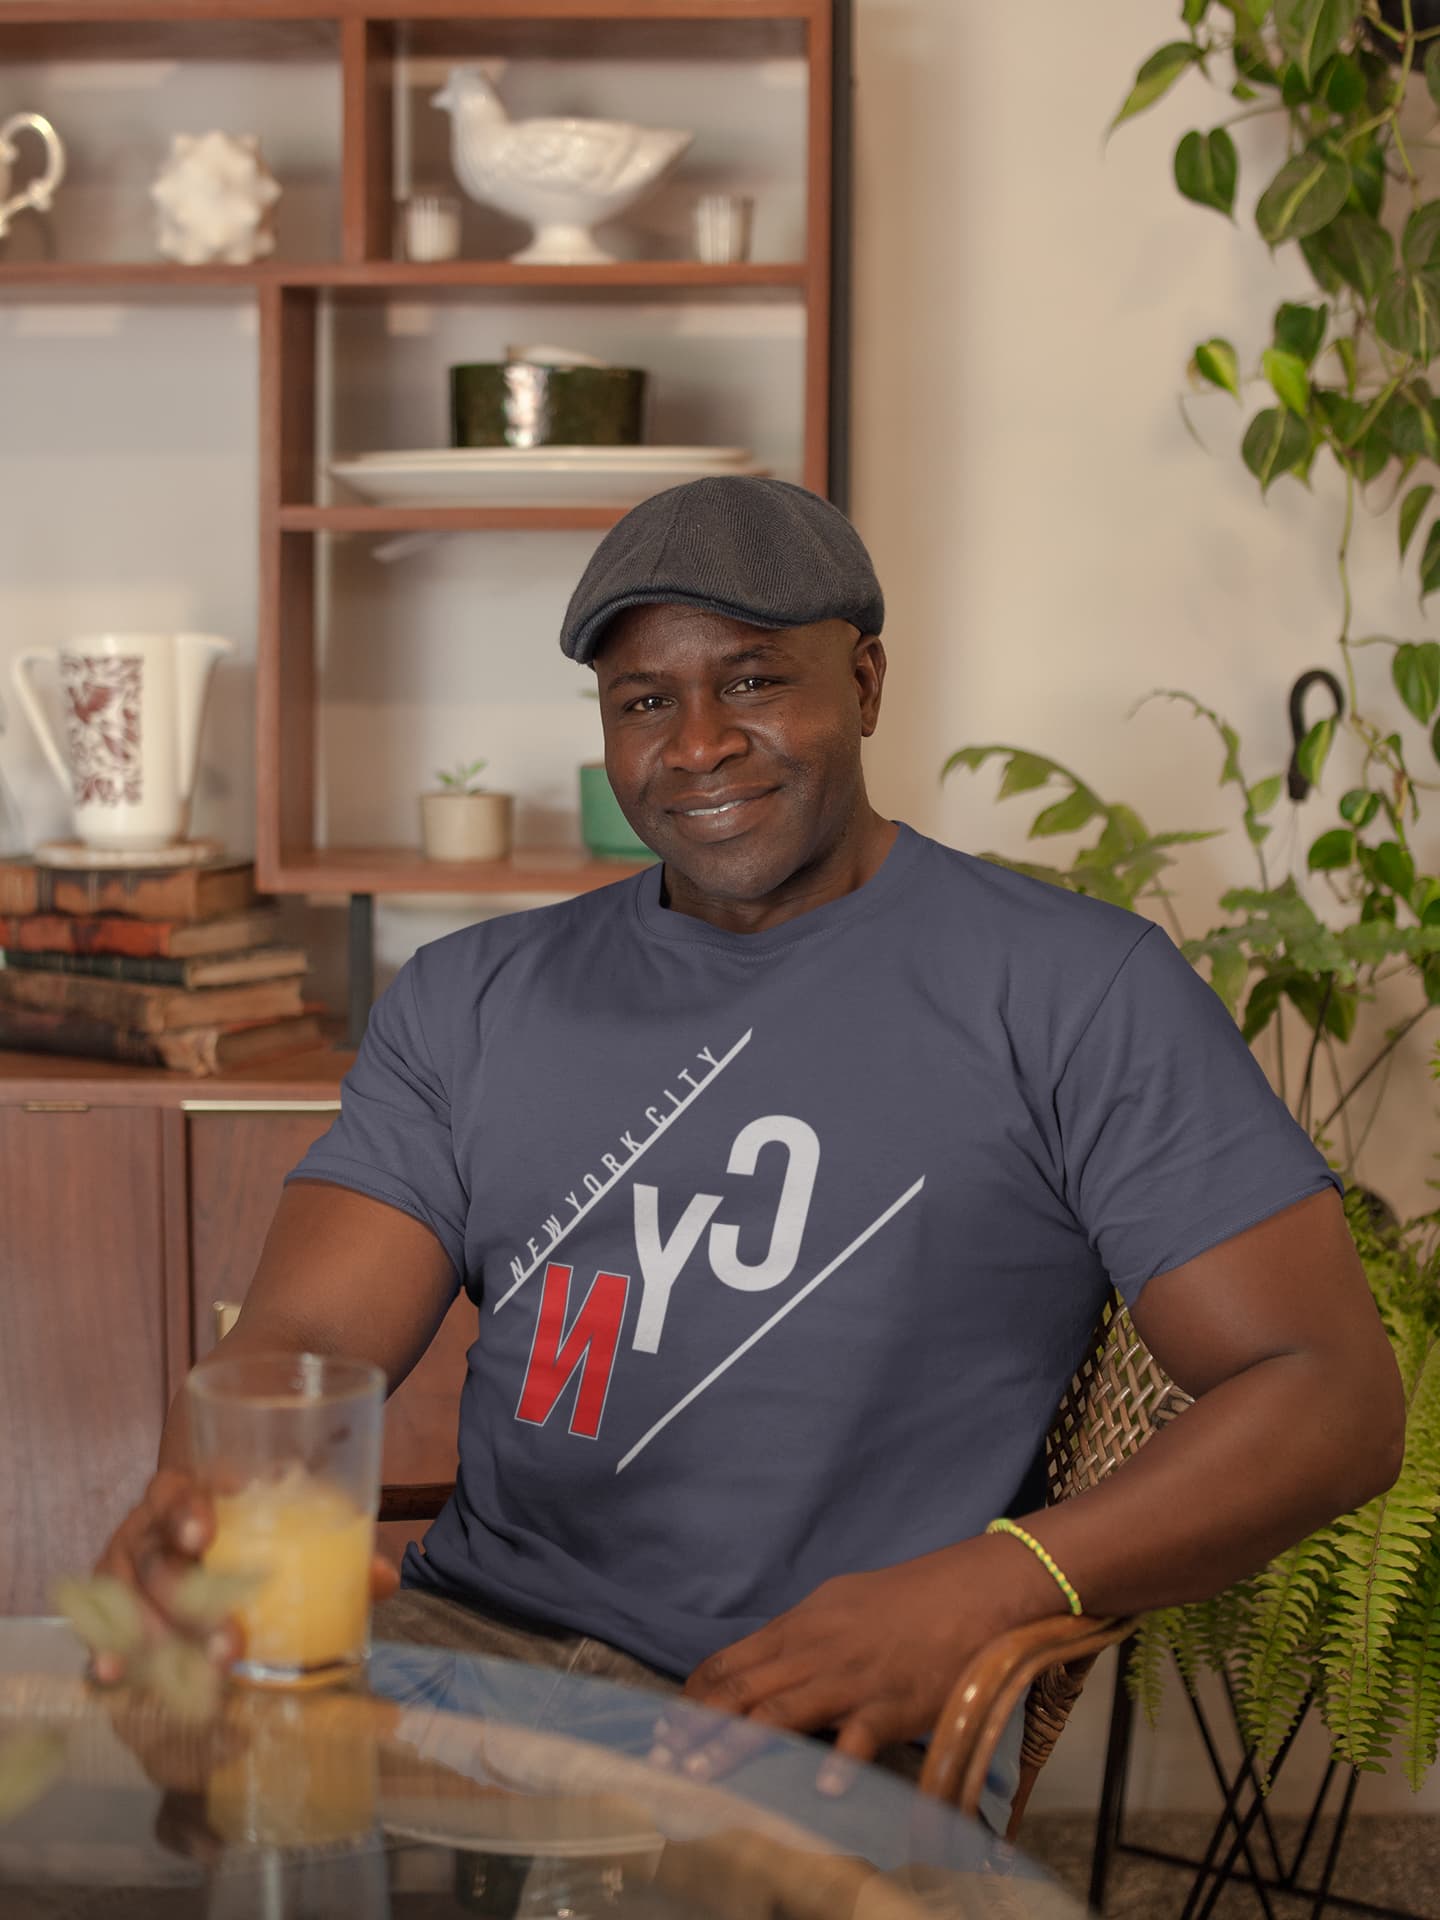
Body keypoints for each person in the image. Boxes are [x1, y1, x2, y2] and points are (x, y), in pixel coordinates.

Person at [96, 477, 1403, 1818]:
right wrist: (199, 1493)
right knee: (114, 1824)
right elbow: (304, 1338)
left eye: (756, 681)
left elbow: (1330, 1395)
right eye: (643, 702)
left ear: (867, 684)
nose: (699, 745)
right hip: (459, 1660)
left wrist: (992, 1585)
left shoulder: (1076, 990)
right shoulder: (468, 999)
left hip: (805, 1716)